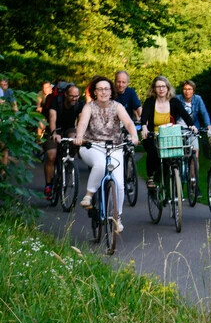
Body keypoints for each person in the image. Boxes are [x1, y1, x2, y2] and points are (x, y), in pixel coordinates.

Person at [74, 76, 139, 233]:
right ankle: (89, 195)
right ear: (94, 92)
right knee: (101, 164)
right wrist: (79, 136)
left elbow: (129, 122)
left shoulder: (117, 106)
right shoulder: (89, 107)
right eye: (100, 89)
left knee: (120, 184)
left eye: (107, 89)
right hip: (92, 146)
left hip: (114, 146)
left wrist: (134, 135)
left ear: (111, 91)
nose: (104, 92)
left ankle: (117, 217)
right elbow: (82, 123)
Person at [140, 76, 197, 188]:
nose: (161, 89)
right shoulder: (150, 102)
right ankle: (150, 176)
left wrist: (192, 125)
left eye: (163, 86)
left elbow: (184, 114)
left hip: (170, 136)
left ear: (168, 88)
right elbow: (144, 117)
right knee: (153, 151)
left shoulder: (174, 102)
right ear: (154, 89)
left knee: (171, 157)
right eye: (158, 87)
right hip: (154, 134)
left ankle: (167, 180)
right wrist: (144, 128)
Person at [42, 83, 84, 199]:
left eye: (77, 96)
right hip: (55, 129)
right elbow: (52, 118)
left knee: (75, 139)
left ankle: (69, 162)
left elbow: (81, 120)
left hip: (69, 128)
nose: (74, 98)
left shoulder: (79, 103)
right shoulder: (56, 101)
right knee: (51, 156)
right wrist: (54, 133)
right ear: (65, 95)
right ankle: (49, 185)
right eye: (71, 96)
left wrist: (79, 135)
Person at [175, 79, 210, 156]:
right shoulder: (177, 99)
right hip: (178, 128)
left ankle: (194, 167)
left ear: (193, 90)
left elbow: (204, 112)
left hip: (192, 129)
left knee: (195, 153)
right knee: (177, 154)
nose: (187, 91)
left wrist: (208, 125)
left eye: (189, 89)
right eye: (185, 89)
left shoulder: (198, 99)